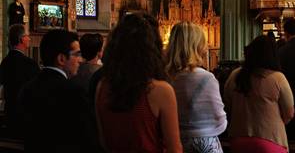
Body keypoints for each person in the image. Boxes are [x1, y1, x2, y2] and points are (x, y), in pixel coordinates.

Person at [95, 14, 181, 153]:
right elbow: (175, 149)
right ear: (152, 48)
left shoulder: (102, 86)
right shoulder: (160, 90)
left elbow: (103, 142)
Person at [18, 28, 99, 152]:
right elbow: (89, 139)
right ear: (61, 59)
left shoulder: (26, 89)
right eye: (76, 54)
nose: (80, 60)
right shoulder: (73, 93)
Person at [224, 35, 295, 153]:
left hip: (238, 139)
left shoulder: (235, 75)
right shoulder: (277, 78)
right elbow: (289, 113)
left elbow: (227, 106)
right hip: (269, 139)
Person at [165, 22, 227, 153]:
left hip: (174, 144)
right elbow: (220, 120)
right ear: (197, 46)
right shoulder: (207, 78)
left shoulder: (163, 79)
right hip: (205, 146)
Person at [0, 23, 39, 133]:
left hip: (9, 114)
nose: (29, 39)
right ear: (22, 39)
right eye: (27, 36)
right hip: (26, 116)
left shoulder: (5, 62)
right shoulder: (30, 64)